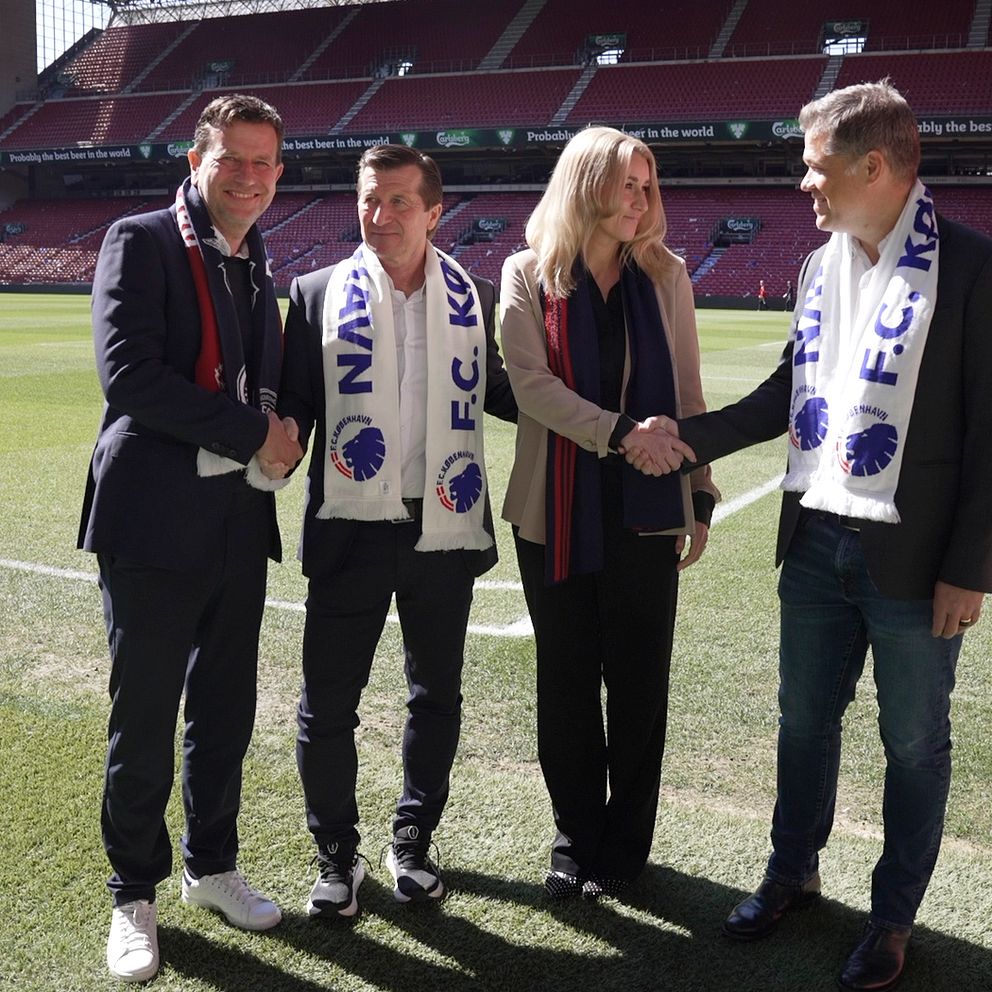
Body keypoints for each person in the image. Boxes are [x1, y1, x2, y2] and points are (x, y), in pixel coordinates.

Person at [668, 81, 992, 991]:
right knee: (803, 722)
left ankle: (892, 919)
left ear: (874, 166)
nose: (803, 185)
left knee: (914, 744)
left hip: (914, 557)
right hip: (815, 537)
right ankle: (792, 872)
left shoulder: (972, 266)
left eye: (816, 168)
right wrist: (684, 439)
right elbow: (785, 394)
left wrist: (970, 568)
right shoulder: (818, 266)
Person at [78, 93, 302, 983]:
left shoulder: (257, 259)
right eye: (231, 160)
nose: (249, 177)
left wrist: (281, 437)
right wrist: (254, 434)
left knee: (224, 710)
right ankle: (132, 892)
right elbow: (129, 375)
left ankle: (211, 867)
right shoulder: (139, 240)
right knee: (144, 716)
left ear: (279, 173)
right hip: (152, 520)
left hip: (237, 520)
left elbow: (263, 382)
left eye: (264, 163)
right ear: (195, 161)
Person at [278, 144, 517, 918]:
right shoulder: (315, 292)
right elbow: (294, 404)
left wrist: (590, 412)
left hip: (442, 524)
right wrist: (274, 441)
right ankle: (335, 856)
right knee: (327, 704)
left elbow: (506, 393)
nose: (379, 216)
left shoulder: (474, 296)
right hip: (351, 527)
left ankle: (411, 842)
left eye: (398, 202)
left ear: (434, 212)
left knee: (436, 696)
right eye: (369, 200)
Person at [498, 126, 718, 901]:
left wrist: (700, 495)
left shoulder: (666, 276)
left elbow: (687, 396)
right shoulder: (526, 273)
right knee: (565, 682)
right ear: (586, 182)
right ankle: (575, 839)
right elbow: (530, 387)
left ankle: (625, 849)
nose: (640, 198)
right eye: (628, 182)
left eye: (647, 186)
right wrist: (622, 433)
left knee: (637, 686)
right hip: (552, 512)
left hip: (647, 514)